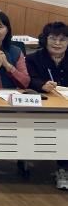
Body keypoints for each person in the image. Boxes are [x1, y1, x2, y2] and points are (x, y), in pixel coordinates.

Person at [26, 22, 68, 188]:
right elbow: (28, 79)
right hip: (42, 105)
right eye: (53, 38)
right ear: (45, 39)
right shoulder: (33, 59)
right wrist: (41, 85)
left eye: (62, 39)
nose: (57, 43)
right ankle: (63, 169)